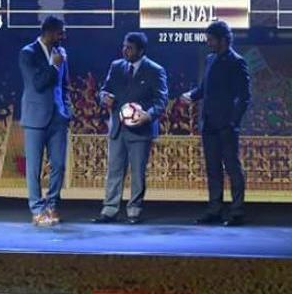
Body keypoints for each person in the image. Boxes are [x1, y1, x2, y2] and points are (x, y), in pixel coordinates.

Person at [181, 20, 251, 226]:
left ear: (223, 40)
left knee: (232, 168)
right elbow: (204, 89)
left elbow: (244, 97)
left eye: (211, 39)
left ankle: (237, 212)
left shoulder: (237, 62)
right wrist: (190, 96)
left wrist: (233, 122)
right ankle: (215, 210)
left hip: (227, 126)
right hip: (209, 123)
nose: (208, 43)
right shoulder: (210, 59)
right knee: (213, 169)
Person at [93, 32, 168, 224]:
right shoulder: (116, 66)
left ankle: (134, 210)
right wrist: (104, 98)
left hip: (140, 131)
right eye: (124, 46)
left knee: (137, 173)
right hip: (118, 129)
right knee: (114, 170)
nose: (125, 50)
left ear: (141, 50)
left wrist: (148, 115)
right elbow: (104, 89)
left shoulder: (155, 70)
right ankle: (109, 210)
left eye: (130, 48)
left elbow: (161, 101)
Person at [18, 15, 72, 226]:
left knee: (59, 164)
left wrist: (67, 109)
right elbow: (38, 84)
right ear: (48, 32)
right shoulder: (28, 53)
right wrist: (54, 66)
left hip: (58, 118)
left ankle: (52, 204)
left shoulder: (61, 53)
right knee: (34, 167)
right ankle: (37, 209)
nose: (63, 36)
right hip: (35, 118)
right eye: (60, 33)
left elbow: (65, 85)